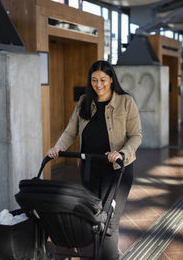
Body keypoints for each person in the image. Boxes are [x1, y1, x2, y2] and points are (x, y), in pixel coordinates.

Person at [47, 60, 142, 259]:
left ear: (111, 80)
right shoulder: (84, 102)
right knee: (93, 220)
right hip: (90, 169)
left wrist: (122, 153)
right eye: (94, 80)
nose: (98, 84)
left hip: (117, 170)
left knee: (108, 223)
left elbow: (136, 135)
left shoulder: (126, 102)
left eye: (103, 80)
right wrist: (58, 148)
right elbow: (70, 131)